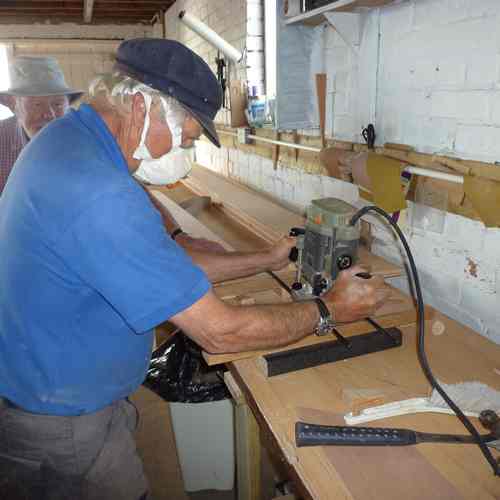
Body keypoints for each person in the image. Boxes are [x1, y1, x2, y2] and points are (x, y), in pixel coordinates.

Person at [0, 38, 389, 500]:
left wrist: (263, 259)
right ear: (141, 105)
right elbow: (220, 333)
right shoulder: (97, 190)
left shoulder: (71, 143)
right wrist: (329, 309)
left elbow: (159, 263)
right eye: (186, 133)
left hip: (54, 391)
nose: (186, 146)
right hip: (61, 425)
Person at [0, 56, 83, 195]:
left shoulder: (85, 141)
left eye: (57, 104)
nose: (49, 114)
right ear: (14, 105)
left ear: (68, 105)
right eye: (37, 104)